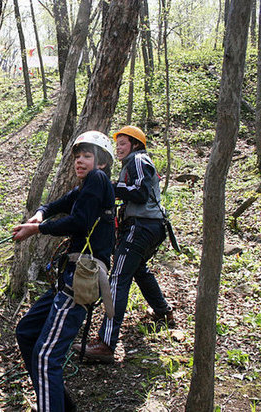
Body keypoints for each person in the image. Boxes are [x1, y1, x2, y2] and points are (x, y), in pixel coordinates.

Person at [13, 131, 116, 412]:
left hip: (79, 279)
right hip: (68, 279)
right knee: (27, 332)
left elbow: (79, 222)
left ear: (102, 162)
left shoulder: (98, 179)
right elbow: (60, 204)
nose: (80, 161)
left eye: (87, 156)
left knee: (47, 358)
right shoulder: (86, 187)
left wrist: (37, 229)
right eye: (77, 156)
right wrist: (41, 213)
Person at [84, 125, 174, 364]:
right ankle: (163, 311)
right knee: (139, 270)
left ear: (135, 144)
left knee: (117, 279)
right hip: (151, 226)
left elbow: (140, 192)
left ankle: (105, 343)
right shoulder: (134, 162)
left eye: (123, 143)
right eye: (118, 144)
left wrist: (110, 187)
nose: (119, 148)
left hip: (141, 226)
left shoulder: (137, 159)